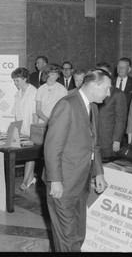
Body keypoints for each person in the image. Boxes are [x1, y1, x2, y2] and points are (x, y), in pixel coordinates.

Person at [43, 68, 111, 252]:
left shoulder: (93, 107)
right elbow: (52, 147)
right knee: (66, 237)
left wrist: (99, 173)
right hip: (63, 182)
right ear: (94, 85)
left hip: (81, 181)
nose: (108, 93)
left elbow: (93, 144)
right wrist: (55, 180)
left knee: (78, 233)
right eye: (106, 88)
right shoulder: (67, 105)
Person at [11, 67, 38, 191]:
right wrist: (15, 132)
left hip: (31, 129)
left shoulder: (34, 92)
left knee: (30, 155)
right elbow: (16, 114)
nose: (15, 84)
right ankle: (31, 178)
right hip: (20, 129)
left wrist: (34, 132)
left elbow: (35, 114)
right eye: (14, 81)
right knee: (26, 154)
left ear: (25, 78)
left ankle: (26, 180)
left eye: (17, 81)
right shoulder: (17, 93)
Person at [95, 62, 128, 159]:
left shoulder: (118, 94)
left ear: (109, 74)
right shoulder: (94, 92)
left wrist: (117, 140)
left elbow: (121, 119)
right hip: (94, 139)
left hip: (109, 140)